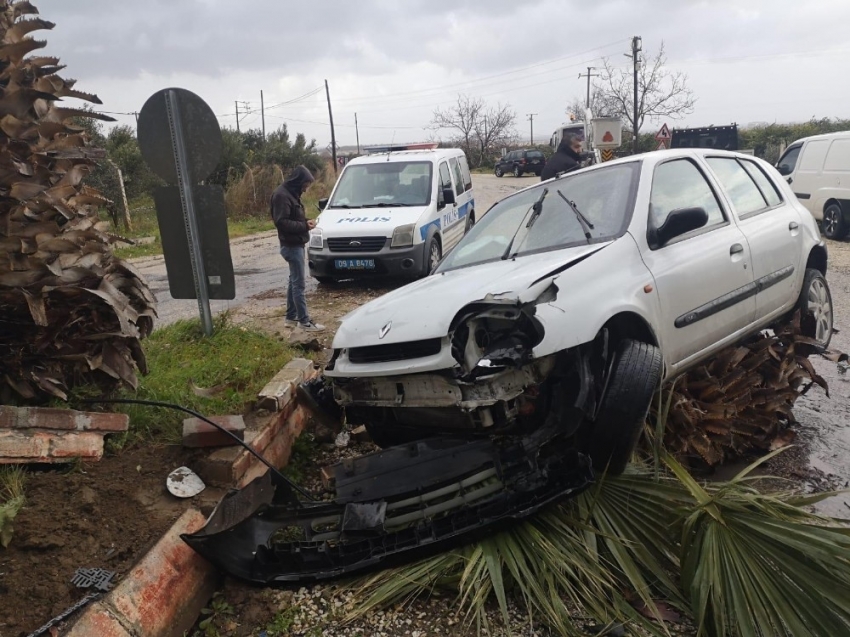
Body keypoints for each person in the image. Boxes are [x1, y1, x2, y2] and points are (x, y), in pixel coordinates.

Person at [271, 165, 325, 332]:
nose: (306, 188)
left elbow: (293, 217)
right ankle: (304, 322)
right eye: (306, 185)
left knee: (293, 282)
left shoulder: (291, 193)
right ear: (298, 181)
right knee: (299, 284)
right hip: (291, 245)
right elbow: (282, 222)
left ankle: (291, 317)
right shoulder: (282, 195)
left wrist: (306, 221)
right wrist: (304, 226)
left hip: (296, 244)